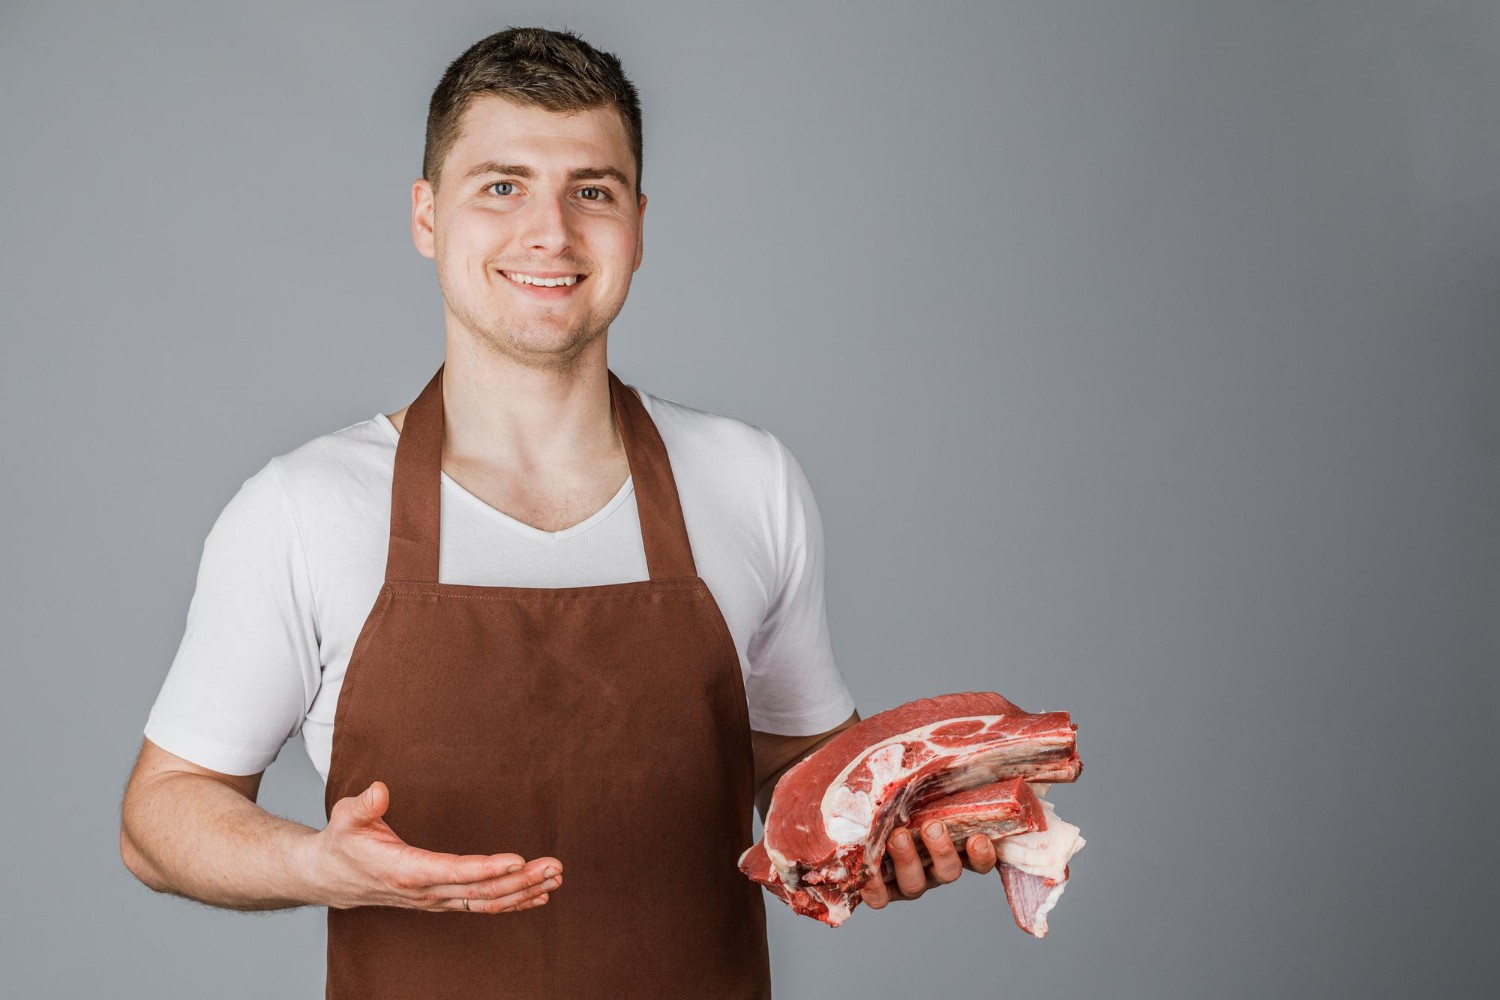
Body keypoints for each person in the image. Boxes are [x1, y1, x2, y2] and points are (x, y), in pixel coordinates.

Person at [118, 26, 1000, 996]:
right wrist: (314, 865)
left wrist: (894, 820)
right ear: (426, 216)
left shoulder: (751, 480)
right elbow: (161, 818)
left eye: (593, 190)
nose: (552, 232)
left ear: (639, 222)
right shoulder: (306, 507)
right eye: (502, 185)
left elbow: (797, 766)